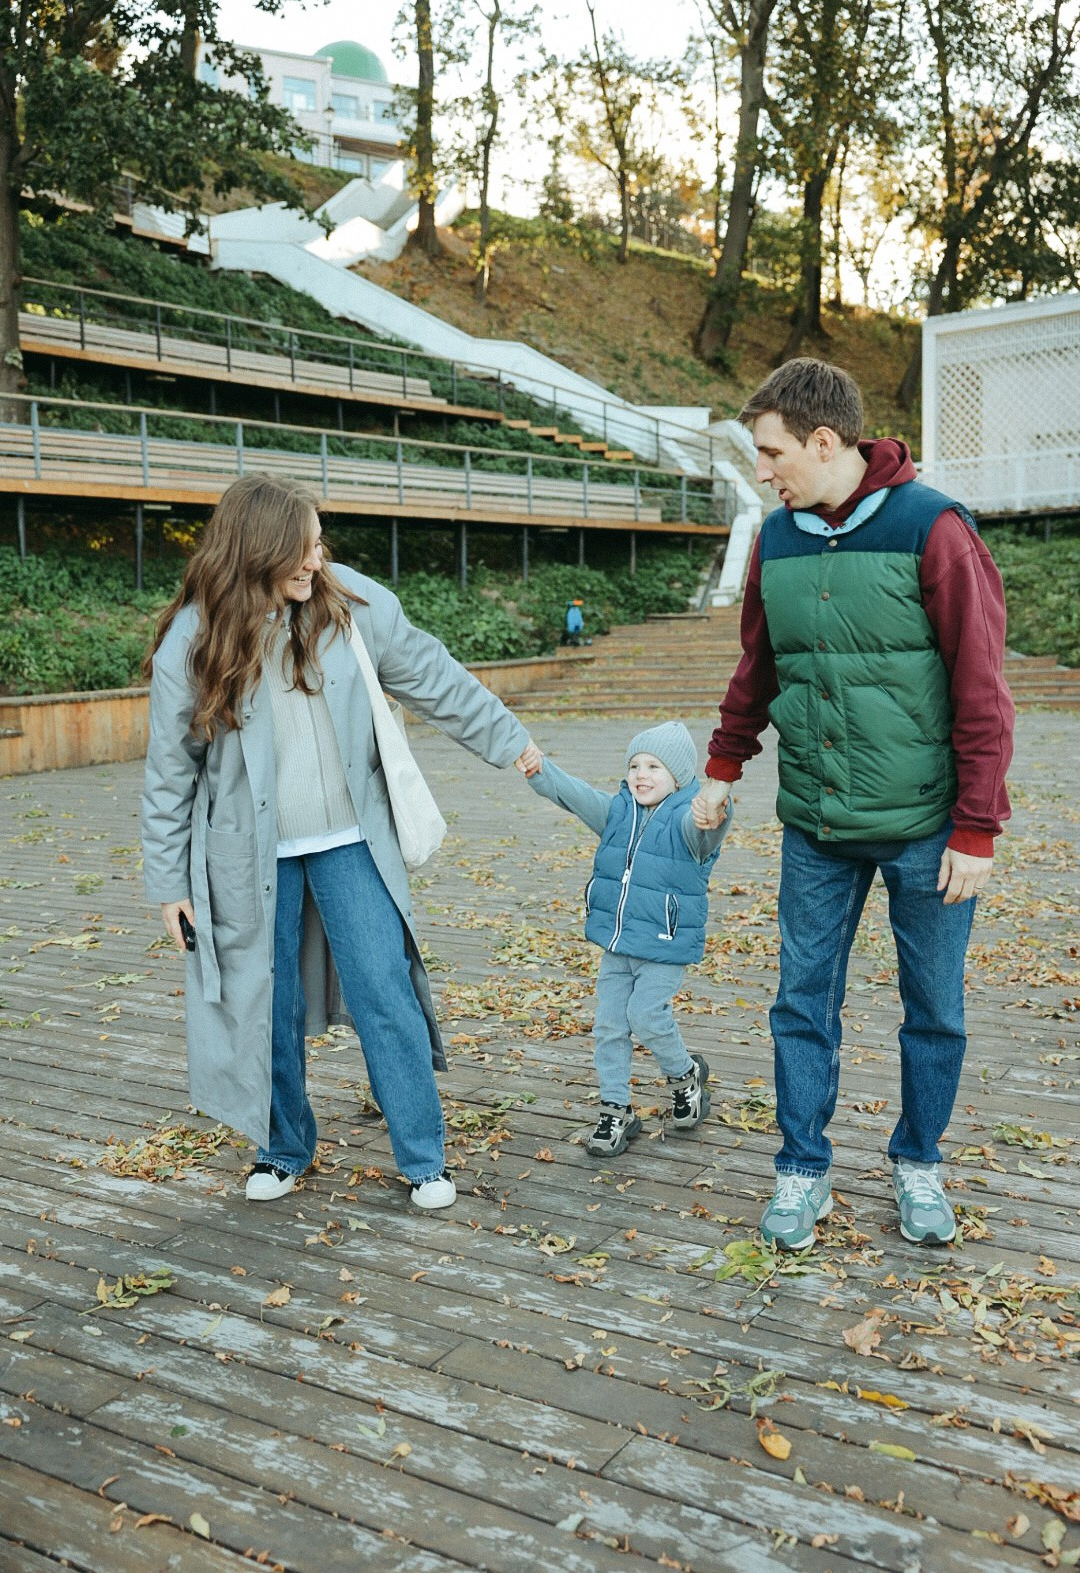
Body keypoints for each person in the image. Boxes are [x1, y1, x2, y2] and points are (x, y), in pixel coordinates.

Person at [141, 475, 540, 1210]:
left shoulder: (349, 605)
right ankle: (283, 1147)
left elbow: (432, 674)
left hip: (351, 838)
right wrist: (169, 882)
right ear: (256, 551)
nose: (316, 560)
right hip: (247, 856)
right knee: (269, 1005)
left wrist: (508, 739)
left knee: (385, 989)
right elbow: (171, 774)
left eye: (320, 542)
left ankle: (425, 1159)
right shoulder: (194, 641)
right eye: (302, 547)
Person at [692, 357, 1014, 1251]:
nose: (762, 472)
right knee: (801, 1001)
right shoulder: (778, 538)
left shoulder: (934, 529)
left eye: (770, 453)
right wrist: (723, 768)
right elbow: (758, 667)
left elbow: (983, 689)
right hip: (818, 826)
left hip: (927, 830)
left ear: (823, 442)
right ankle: (802, 1172)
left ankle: (919, 1162)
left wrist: (978, 827)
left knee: (934, 1007)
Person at [525, 722, 731, 1157]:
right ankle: (616, 1110)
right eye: (635, 764)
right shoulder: (618, 812)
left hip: (663, 945)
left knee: (647, 1016)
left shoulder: (685, 821)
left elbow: (707, 832)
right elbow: (575, 795)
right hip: (617, 945)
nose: (642, 773)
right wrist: (541, 769)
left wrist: (714, 813)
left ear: (678, 776)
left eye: (654, 766)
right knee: (609, 1027)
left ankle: (684, 1077)